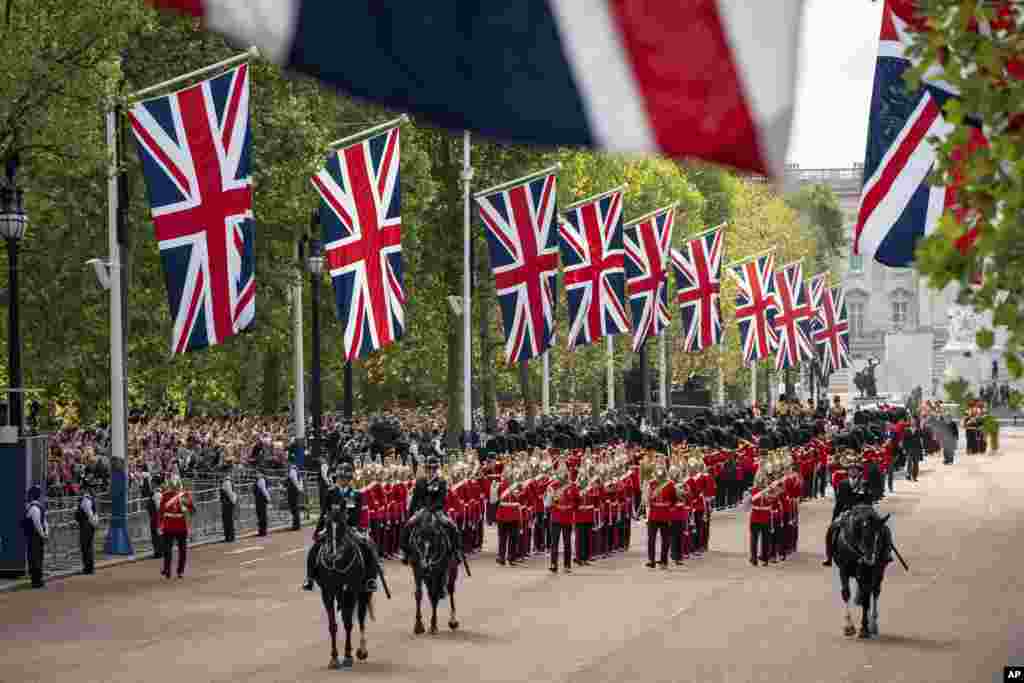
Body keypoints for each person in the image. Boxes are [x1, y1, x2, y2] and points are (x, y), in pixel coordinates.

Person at [303, 463, 380, 591]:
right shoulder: (330, 492)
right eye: (340, 478)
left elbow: (358, 513)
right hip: (332, 527)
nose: (342, 480)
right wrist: (318, 531)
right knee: (314, 549)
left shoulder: (357, 494)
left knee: (368, 546)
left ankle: (370, 579)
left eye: (345, 478)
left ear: (350, 479)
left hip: (350, 527)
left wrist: (355, 527)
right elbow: (323, 513)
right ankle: (310, 578)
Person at [400, 455, 462, 563]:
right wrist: (411, 513)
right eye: (429, 468)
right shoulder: (420, 481)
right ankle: (406, 552)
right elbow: (415, 499)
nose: (431, 471)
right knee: (407, 525)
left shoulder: (441, 481)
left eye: (434, 468)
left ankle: (455, 551)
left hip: (437, 510)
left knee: (452, 526)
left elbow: (441, 499)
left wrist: (432, 508)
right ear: (426, 469)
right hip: (422, 510)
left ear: (437, 469)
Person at [822, 461, 871, 566]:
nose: (853, 471)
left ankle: (873, 553)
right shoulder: (842, 483)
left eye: (855, 470)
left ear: (859, 472)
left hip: (861, 512)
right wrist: (835, 516)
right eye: (850, 470)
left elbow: (868, 500)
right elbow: (839, 501)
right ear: (848, 472)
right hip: (846, 511)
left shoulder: (864, 483)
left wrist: (863, 510)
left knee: (874, 529)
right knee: (831, 531)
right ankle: (829, 556)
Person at [159, 476, 195, 579]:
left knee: (181, 550)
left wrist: (188, 504)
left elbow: (193, 511)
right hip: (172, 526)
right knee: (169, 550)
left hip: (178, 526)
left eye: (176, 486)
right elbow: (161, 512)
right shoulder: (166, 496)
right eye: (173, 486)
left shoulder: (183, 495)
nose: (175, 488)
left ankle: (178, 570)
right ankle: (169, 570)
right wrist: (160, 525)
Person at [22, 484, 48, 588]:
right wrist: (46, 534)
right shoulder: (40, 507)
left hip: (34, 537)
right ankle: (38, 579)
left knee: (34, 558)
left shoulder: (33, 508)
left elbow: (37, 524)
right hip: (39, 536)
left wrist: (43, 535)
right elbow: (45, 523)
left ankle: (36, 580)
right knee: (39, 558)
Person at [75, 479, 99, 574]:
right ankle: (89, 567)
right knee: (88, 547)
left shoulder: (86, 500)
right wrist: (95, 524)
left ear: (85, 489)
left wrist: (93, 525)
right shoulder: (90, 499)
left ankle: (88, 568)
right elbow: (95, 514)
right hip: (89, 525)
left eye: (81, 489)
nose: (80, 491)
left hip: (86, 525)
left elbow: (90, 514)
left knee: (86, 547)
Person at [141, 468, 163, 559]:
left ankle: (159, 552)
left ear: (155, 483)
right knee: (156, 535)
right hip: (155, 518)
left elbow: (159, 508)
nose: (151, 483)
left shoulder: (157, 494)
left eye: (152, 482)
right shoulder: (155, 492)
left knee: (157, 535)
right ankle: (159, 551)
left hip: (156, 518)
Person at [220, 465, 237, 542]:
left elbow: (230, 493)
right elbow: (231, 493)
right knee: (228, 520)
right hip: (228, 503)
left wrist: (233, 500)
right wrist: (233, 500)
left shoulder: (226, 482)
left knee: (228, 520)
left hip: (227, 503)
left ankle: (229, 536)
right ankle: (230, 536)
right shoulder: (227, 481)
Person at [286, 460, 302, 531]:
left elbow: (294, 480)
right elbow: (300, 480)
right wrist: (300, 488)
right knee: (295, 507)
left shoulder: (292, 470)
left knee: (294, 507)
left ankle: (296, 525)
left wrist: (298, 488)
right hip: (295, 490)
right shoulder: (296, 470)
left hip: (293, 490)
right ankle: (296, 524)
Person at [253, 470, 270, 536]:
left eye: (258, 473)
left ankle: (263, 531)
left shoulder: (261, 480)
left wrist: (268, 498)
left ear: (262, 474)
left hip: (261, 500)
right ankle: (262, 530)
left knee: (262, 515)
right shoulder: (258, 480)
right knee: (261, 515)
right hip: (259, 499)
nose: (256, 474)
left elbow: (264, 490)